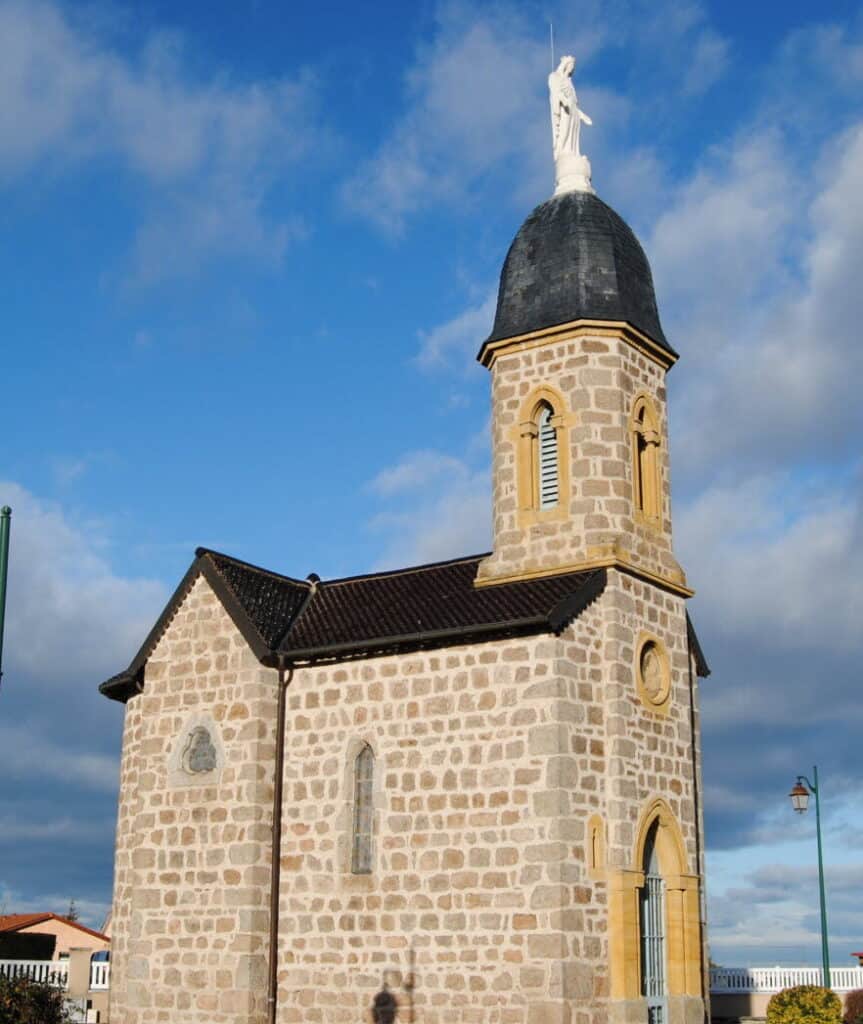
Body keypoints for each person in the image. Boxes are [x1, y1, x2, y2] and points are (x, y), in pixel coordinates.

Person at [548, 55, 592, 159]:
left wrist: (583, 116)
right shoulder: (556, 76)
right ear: (566, 65)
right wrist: (563, 100)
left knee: (574, 133)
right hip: (565, 108)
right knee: (565, 130)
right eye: (571, 65)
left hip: (573, 110)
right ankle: (561, 152)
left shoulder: (569, 81)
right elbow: (556, 91)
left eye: (573, 66)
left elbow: (574, 102)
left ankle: (573, 153)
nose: (572, 68)